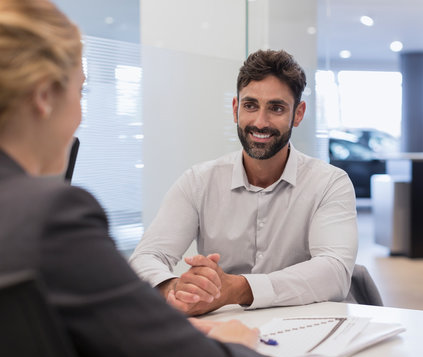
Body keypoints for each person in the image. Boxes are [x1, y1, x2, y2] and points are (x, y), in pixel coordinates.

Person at [0, 1, 272, 357]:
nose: (81, 115)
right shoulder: (50, 214)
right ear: (44, 96)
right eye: (80, 92)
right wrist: (234, 344)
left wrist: (150, 327)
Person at [129, 49, 358, 316]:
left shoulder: (330, 183)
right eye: (250, 106)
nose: (260, 122)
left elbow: (335, 271)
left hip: (307, 329)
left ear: (298, 114)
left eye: (276, 108)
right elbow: (144, 258)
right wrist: (176, 288)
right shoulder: (198, 181)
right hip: (225, 332)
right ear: (236, 109)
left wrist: (237, 289)